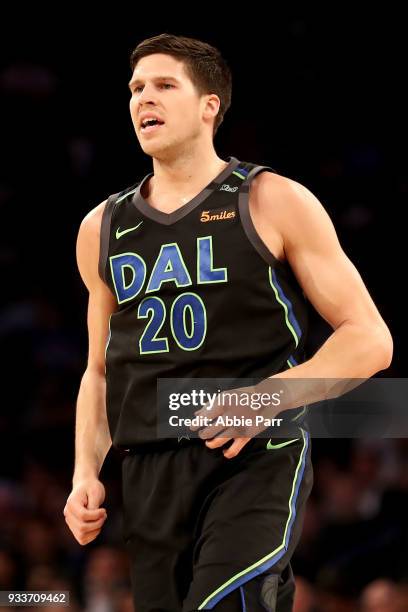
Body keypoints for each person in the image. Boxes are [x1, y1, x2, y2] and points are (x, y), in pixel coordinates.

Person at [63, 33, 393, 611]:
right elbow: (98, 371)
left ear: (209, 105)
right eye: (137, 88)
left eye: (165, 86)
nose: (145, 99)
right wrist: (84, 471)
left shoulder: (270, 198)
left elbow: (370, 339)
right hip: (150, 465)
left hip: (254, 451)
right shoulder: (102, 226)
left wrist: (265, 399)